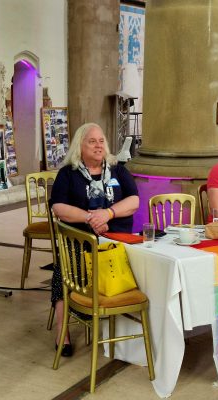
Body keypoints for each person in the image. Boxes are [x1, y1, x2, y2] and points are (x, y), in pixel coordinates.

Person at [50, 122, 140, 356]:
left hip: (118, 244)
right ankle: (63, 330)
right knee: (63, 268)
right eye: (92, 141)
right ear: (79, 146)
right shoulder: (67, 174)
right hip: (81, 245)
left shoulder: (118, 169)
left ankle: (128, 323)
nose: (99, 146)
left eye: (101, 141)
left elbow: (134, 201)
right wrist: (90, 218)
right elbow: (58, 207)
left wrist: (108, 213)